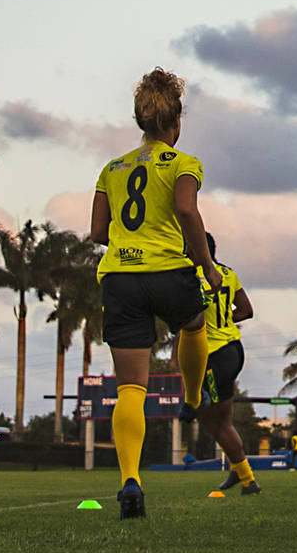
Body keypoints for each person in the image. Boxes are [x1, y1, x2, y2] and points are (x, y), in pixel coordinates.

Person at [88, 69, 215, 522]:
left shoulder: (112, 168)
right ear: (175, 123)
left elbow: (98, 231)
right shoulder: (184, 164)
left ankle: (130, 480)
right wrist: (208, 267)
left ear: (140, 120)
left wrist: (130, 245)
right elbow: (186, 209)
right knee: (195, 324)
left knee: (130, 388)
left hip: (120, 276)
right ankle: (195, 396)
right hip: (169, 271)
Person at [196, 239, 260, 496]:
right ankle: (238, 470)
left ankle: (247, 477)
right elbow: (246, 310)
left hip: (214, 356)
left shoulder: (195, 277)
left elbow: (189, 316)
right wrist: (223, 322)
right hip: (233, 349)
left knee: (210, 417)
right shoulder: (228, 273)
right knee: (221, 419)